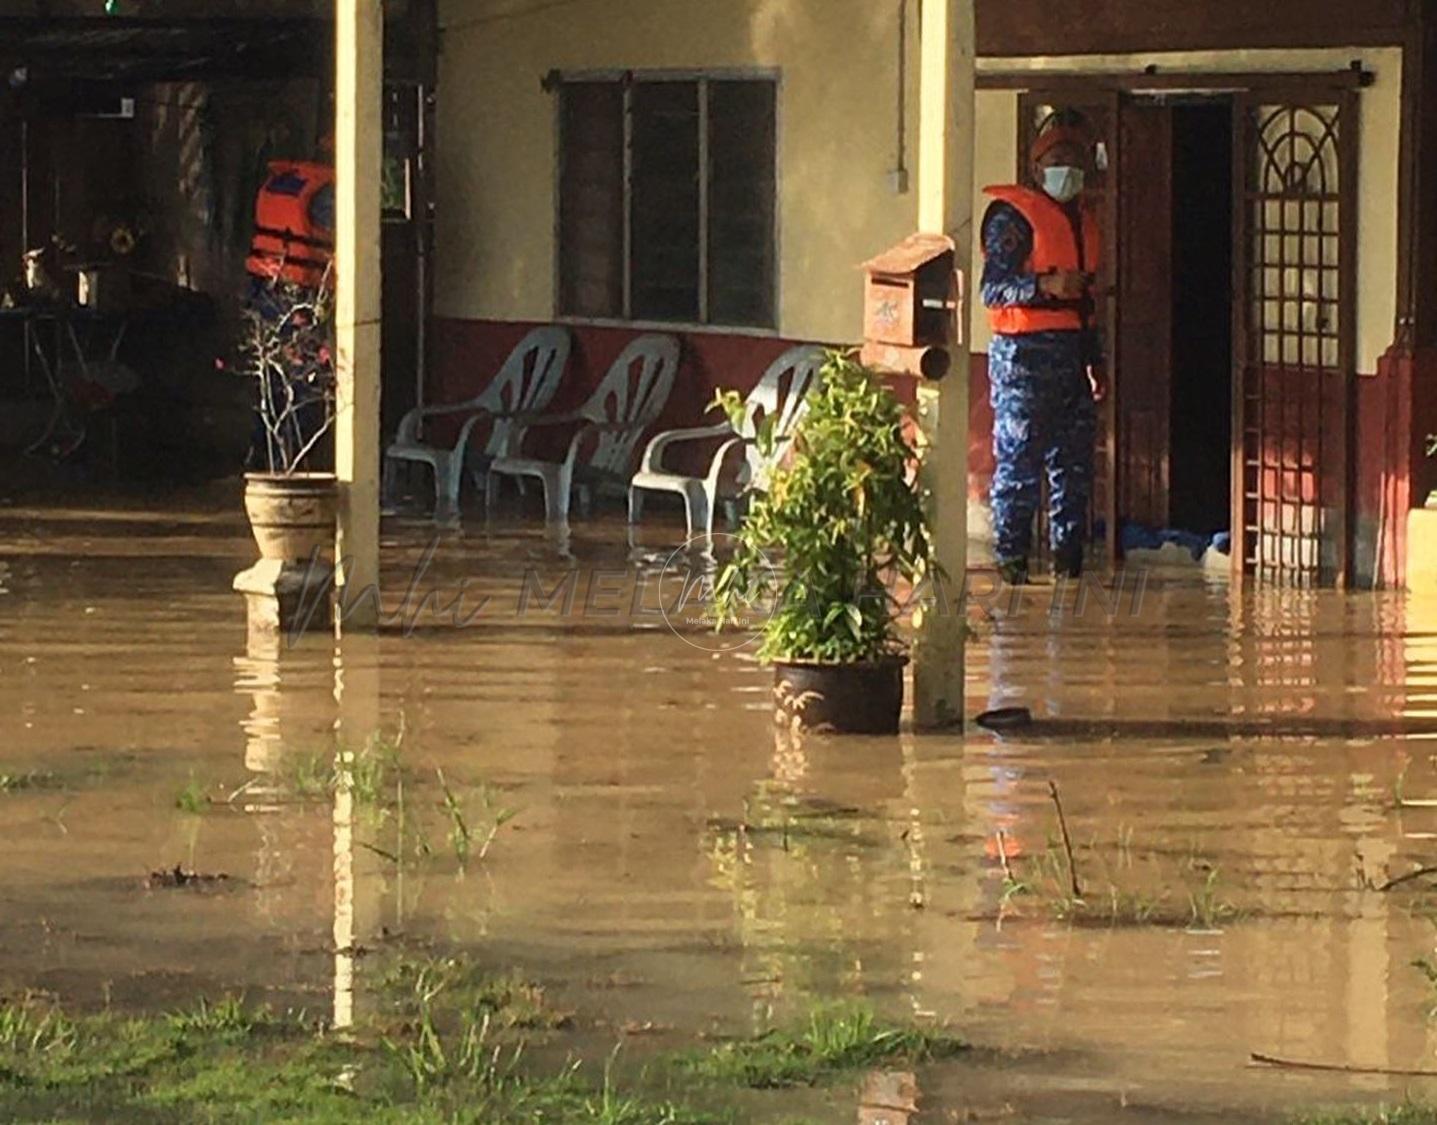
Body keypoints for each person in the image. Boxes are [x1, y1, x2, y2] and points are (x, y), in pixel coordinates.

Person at [981, 113, 1104, 585]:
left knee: (1072, 469)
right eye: (1056, 161)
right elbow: (992, 289)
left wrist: (1097, 361)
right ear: (1036, 168)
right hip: (1023, 360)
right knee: (1018, 464)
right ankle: (1011, 563)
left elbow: (1087, 303)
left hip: (1073, 359)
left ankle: (1068, 565)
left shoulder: (1085, 223)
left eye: (1074, 161)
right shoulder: (1012, 219)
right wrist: (1044, 285)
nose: (1065, 170)